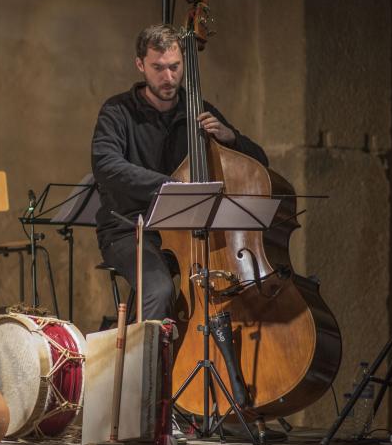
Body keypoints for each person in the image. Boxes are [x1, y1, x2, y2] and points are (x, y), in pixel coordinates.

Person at [91, 23, 268, 321]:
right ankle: (144, 368)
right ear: (140, 65)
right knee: (158, 290)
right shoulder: (117, 111)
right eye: (158, 68)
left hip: (188, 231)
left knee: (235, 287)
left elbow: (260, 163)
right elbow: (106, 166)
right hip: (132, 229)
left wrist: (231, 137)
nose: (169, 77)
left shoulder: (197, 109)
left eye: (174, 67)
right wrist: (172, 187)